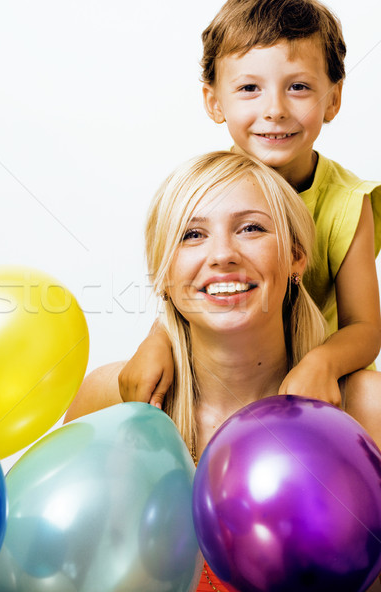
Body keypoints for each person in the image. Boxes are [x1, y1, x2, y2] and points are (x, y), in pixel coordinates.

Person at [118, 0, 381, 450]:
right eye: (248, 88)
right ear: (214, 101)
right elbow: (185, 285)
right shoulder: (206, 190)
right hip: (230, 375)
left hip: (316, 384)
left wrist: (321, 364)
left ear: (333, 99)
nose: (274, 108)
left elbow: (365, 327)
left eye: (298, 87)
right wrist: (157, 338)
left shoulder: (346, 200)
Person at [65, 150, 334, 591]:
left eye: (251, 228)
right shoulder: (109, 401)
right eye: (192, 234)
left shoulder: (364, 409)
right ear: (163, 274)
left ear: (296, 260)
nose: (222, 254)